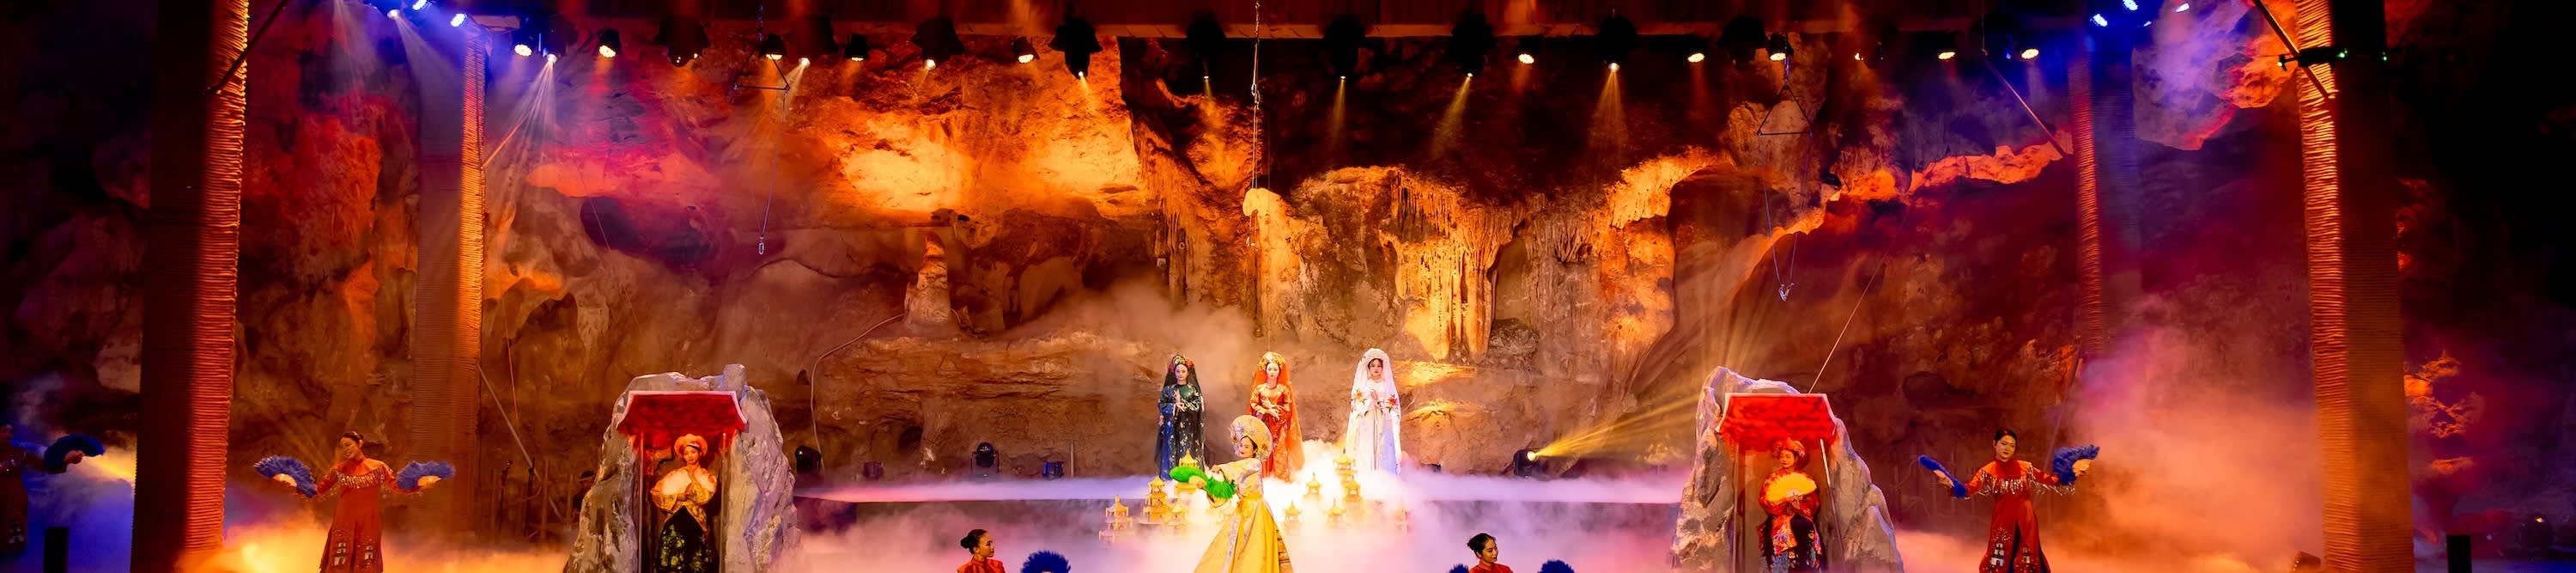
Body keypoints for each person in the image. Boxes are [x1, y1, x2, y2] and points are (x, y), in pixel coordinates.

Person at [275, 432, 440, 573]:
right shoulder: (339, 469)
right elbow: (318, 490)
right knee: (340, 560)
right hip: (344, 521)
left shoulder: (378, 467)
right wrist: (294, 483)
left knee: (366, 561)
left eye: (348, 444)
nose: (345, 449)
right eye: (342, 447)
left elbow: (397, 486)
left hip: (368, 522)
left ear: (360, 443)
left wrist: (420, 483)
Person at [1930, 430, 2089, 573]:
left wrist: (2071, 473)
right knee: (1999, 558)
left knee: (2028, 559)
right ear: (1995, 444)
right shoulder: (1987, 471)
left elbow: (2052, 480)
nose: (2007, 448)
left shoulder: (2026, 467)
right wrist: (1950, 484)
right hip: (2003, 522)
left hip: (2026, 521)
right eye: (2004, 444)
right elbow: (1968, 489)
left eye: (2012, 445)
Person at [1188, 416, 1293, 573]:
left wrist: (1222, 468)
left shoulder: (1254, 464)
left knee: (1254, 548)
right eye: (1241, 445)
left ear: (1255, 450)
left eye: (1247, 447)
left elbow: (1240, 467)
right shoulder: (1239, 471)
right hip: (1242, 511)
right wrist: (1207, 487)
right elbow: (1227, 490)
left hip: (1256, 511)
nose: (1242, 449)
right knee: (1230, 545)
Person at [1, 422, 83, 556]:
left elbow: (44, 465)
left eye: (10, 432)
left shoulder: (19, 453)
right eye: (4, 431)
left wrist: (66, 460)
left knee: (12, 538)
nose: (8, 435)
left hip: (13, 499)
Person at [651, 435, 719, 573]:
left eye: (693, 452)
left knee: (695, 558)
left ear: (699, 453)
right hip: (676, 519)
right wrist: (677, 497)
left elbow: (705, 497)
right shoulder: (675, 475)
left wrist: (692, 480)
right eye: (686, 453)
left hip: (696, 521)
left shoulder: (707, 477)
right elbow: (656, 493)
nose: (690, 456)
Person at [1759, 440, 1824, 572]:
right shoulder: (1773, 479)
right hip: (1780, 517)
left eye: (1788, 457)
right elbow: (1765, 500)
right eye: (1782, 456)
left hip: (1802, 516)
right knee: (1782, 530)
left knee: (1806, 526)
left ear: (1796, 458)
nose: (1784, 460)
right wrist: (1783, 501)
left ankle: (1806, 566)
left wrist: (1799, 504)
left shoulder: (1805, 478)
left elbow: (1814, 503)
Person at [1340, 349, 1402, 473]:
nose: (1376, 368)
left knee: (1383, 447)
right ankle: (1367, 475)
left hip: (1383, 421)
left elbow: (1393, 406)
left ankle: (1384, 475)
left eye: (1379, 365)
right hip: (1367, 422)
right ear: (1368, 367)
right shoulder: (1365, 385)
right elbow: (1357, 405)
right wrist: (1369, 400)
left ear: (1383, 368)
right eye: (1373, 365)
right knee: (1367, 448)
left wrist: (1379, 402)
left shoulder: (1386, 385)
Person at [1248, 352, 1304, 481]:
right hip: (1263, 425)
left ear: (1279, 372)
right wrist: (1267, 411)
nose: (1272, 372)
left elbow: (1288, 409)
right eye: (1270, 369)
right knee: (1263, 451)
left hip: (1279, 426)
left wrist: (1274, 409)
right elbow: (1254, 406)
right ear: (1265, 371)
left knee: (1280, 451)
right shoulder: (1259, 389)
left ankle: (1281, 480)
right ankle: (1264, 479)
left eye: (1275, 369)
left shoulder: (1284, 390)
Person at [1158, 355, 1207, 475]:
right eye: (1178, 371)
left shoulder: (1193, 390)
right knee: (1171, 449)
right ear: (1174, 372)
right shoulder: (1168, 389)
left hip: (1188, 427)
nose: (1180, 374)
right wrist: (1174, 406)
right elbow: (1161, 404)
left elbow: (1197, 407)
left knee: (1186, 449)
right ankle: (1171, 476)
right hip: (1172, 426)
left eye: (1183, 371)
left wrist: (1182, 403)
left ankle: (1187, 477)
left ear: (1188, 372)